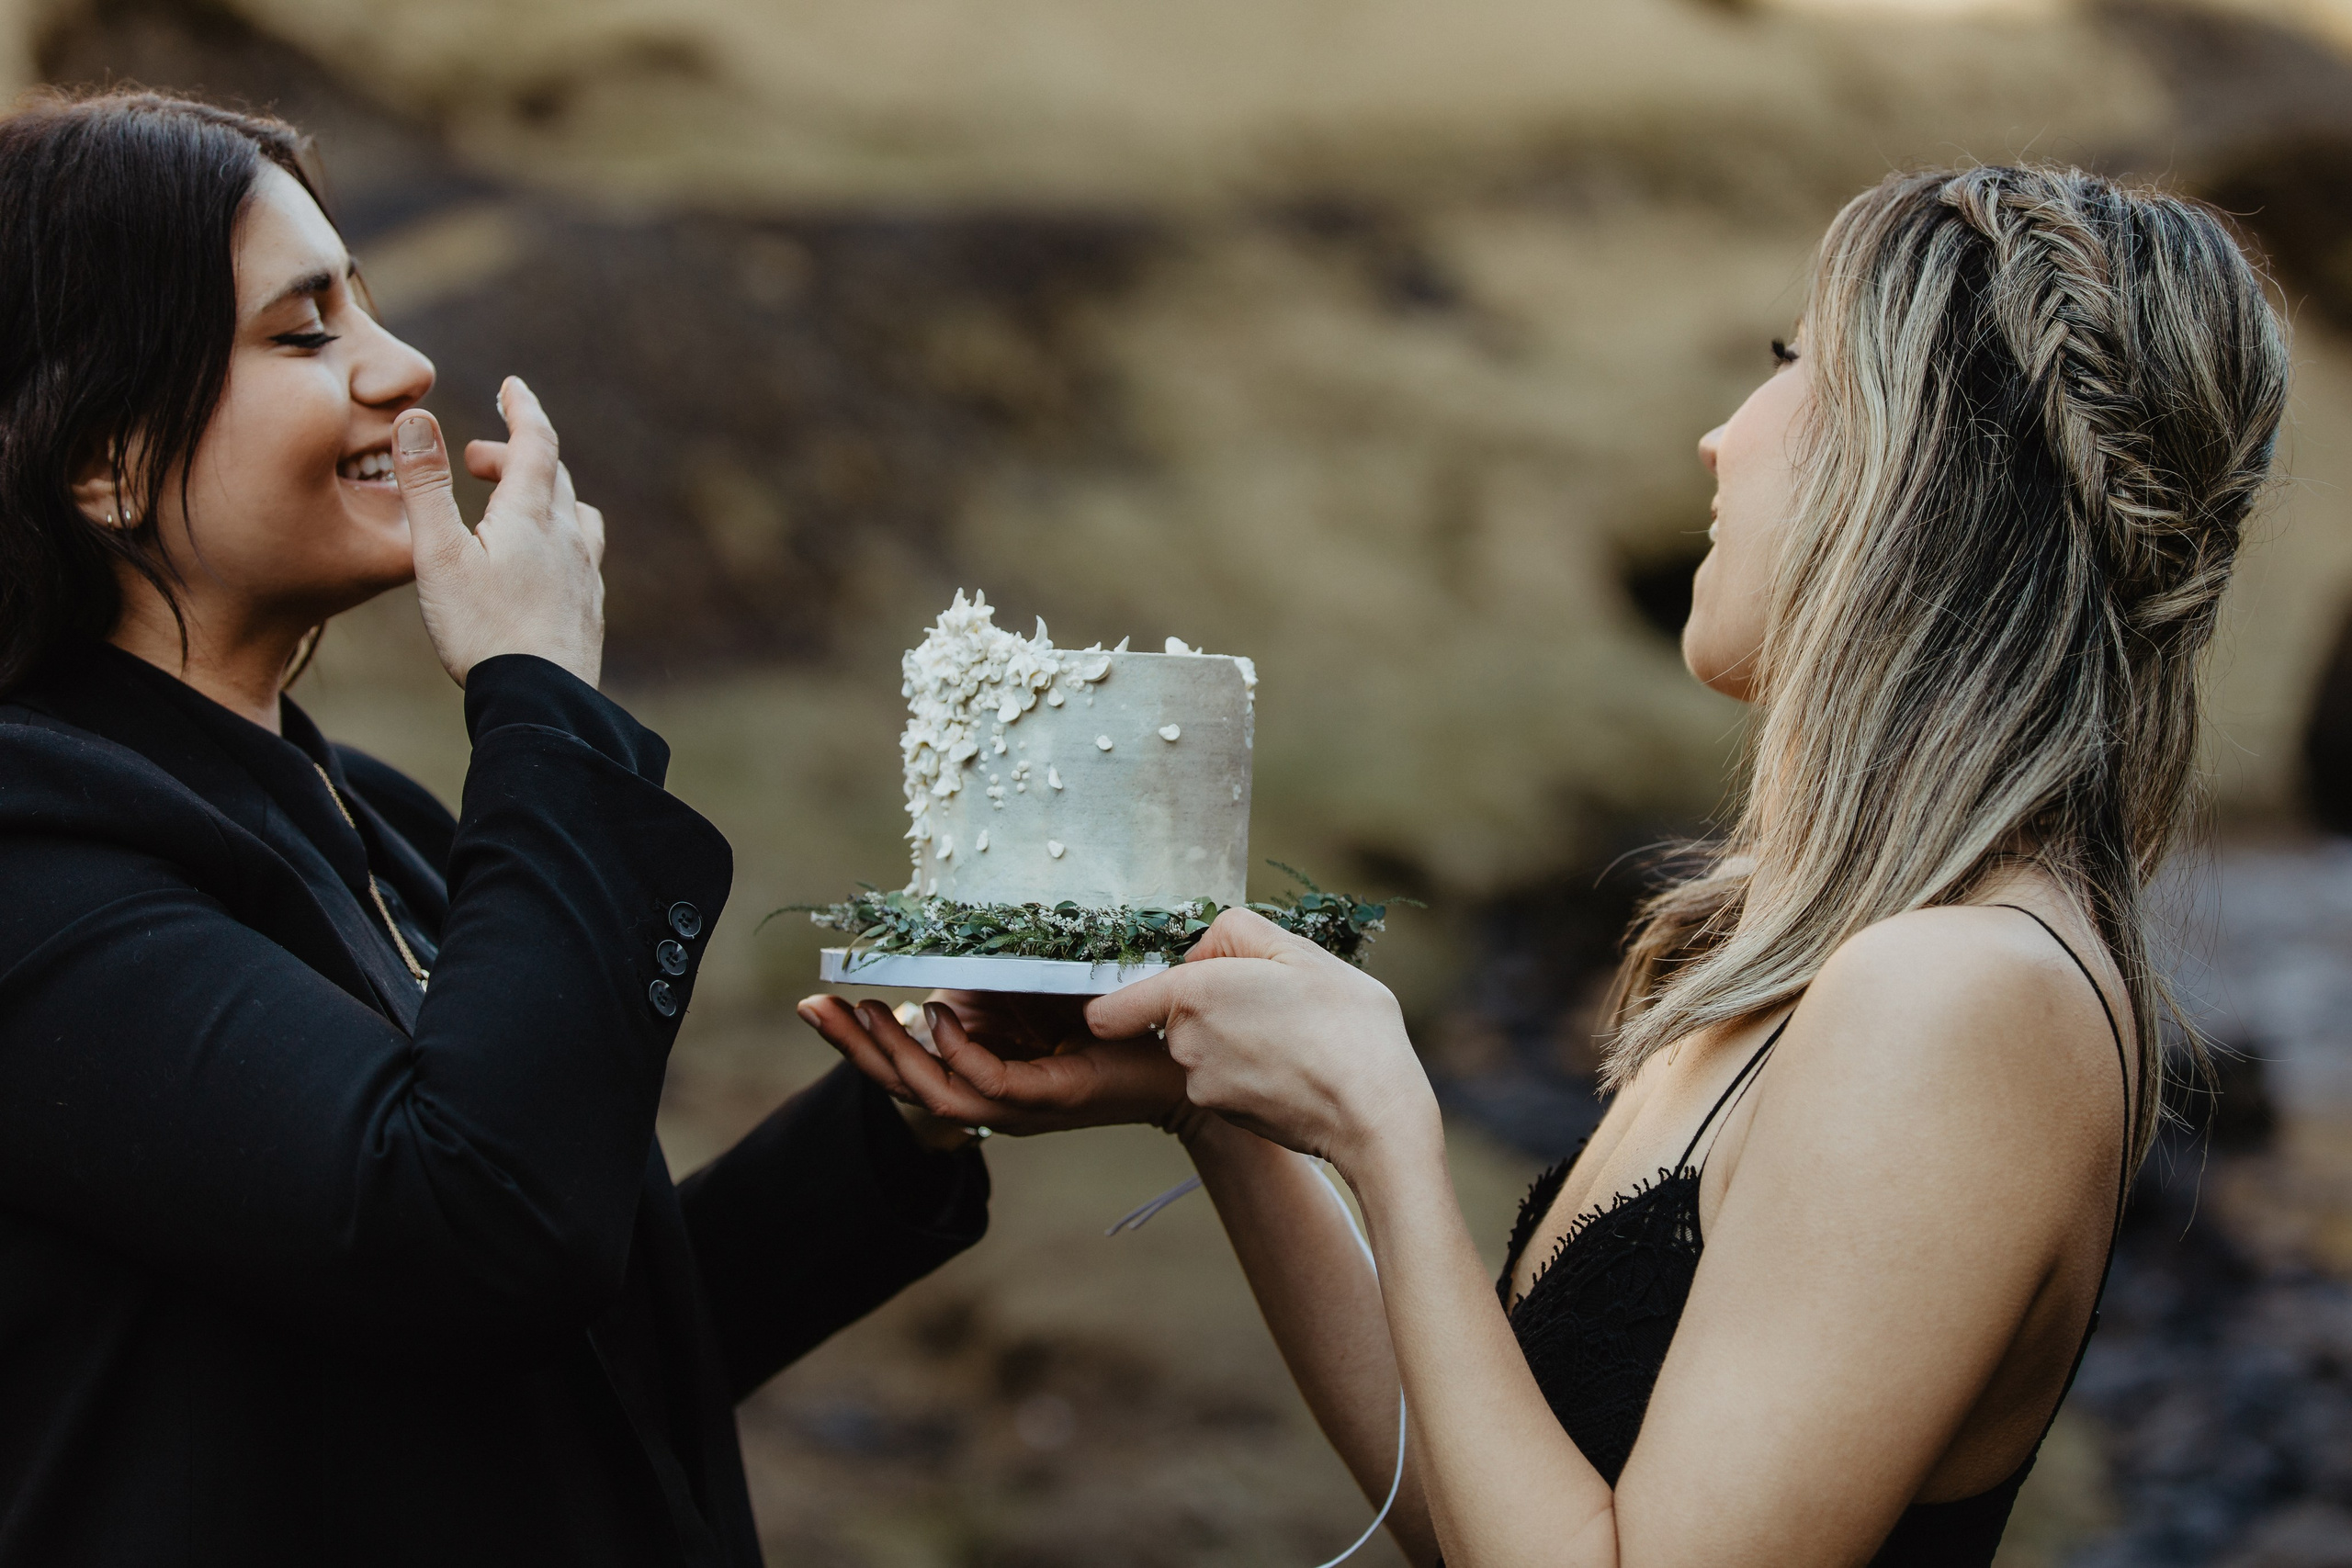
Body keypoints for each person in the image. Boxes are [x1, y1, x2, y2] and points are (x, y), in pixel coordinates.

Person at [805, 164, 2290, 1565]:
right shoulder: (1822, 960)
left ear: (1917, 478)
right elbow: (1491, 1515)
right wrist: (1222, 1110)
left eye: (1796, 361)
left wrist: (1389, 1124)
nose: (1724, 435)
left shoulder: (1964, 997)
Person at [0, 90, 994, 1567]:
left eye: (371, 310)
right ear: (107, 459)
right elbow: (473, 1235)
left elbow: (568, 1351)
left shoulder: (367, 820)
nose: (402, 369)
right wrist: (537, 696)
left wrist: (902, 1120)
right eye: (304, 330)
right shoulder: (33, 876)